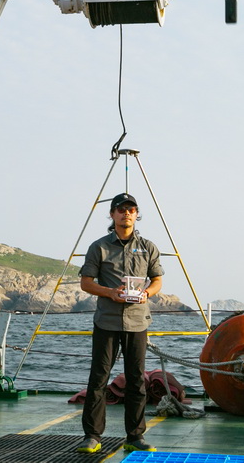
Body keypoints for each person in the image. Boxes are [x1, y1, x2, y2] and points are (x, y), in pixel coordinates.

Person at [76, 192, 164, 454]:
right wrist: (110, 292)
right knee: (99, 379)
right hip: (107, 322)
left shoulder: (148, 247)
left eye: (131, 209)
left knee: (137, 380)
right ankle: (92, 436)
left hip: (137, 322)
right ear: (112, 214)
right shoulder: (99, 247)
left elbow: (157, 280)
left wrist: (147, 293)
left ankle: (135, 436)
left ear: (137, 214)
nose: (126, 213)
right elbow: (86, 282)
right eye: (121, 209)